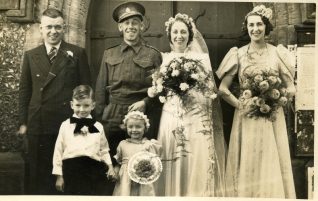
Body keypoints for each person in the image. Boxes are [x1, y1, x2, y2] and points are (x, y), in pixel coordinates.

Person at [216, 5, 296, 198]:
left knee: (270, 158)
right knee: (248, 158)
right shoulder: (238, 53)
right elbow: (222, 89)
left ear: (266, 27)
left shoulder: (278, 53)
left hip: (272, 116)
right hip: (246, 116)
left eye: (259, 24)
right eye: (251, 25)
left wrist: (279, 100)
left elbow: (291, 86)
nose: (255, 29)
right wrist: (241, 105)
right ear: (247, 27)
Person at [18, 8, 91, 194]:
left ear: (64, 28)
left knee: (66, 177)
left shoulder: (77, 53)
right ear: (41, 29)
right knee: (37, 177)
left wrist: (85, 122)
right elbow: (25, 91)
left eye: (58, 27)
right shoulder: (31, 55)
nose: (53, 31)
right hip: (38, 124)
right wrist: (23, 123)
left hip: (66, 123)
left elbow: (86, 90)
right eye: (49, 27)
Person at [155, 13, 226, 196]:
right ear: (170, 35)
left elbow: (210, 91)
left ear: (190, 35)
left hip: (194, 114)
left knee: (195, 157)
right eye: (175, 32)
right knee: (173, 154)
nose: (179, 36)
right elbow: (159, 89)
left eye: (183, 32)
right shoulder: (164, 58)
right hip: (171, 113)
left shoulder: (202, 59)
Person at [95, 2, 162, 194]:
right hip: (113, 115)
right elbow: (100, 89)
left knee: (142, 166)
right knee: (111, 165)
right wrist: (99, 121)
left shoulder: (153, 55)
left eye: (135, 22)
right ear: (120, 27)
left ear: (142, 26)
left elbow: (161, 90)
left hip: (142, 116)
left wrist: (145, 103)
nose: (130, 26)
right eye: (126, 23)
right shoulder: (109, 53)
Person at [52, 85, 115, 195]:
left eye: (86, 105)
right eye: (78, 105)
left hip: (93, 170)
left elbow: (104, 150)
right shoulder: (65, 125)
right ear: (72, 105)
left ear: (93, 105)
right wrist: (59, 176)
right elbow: (58, 151)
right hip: (71, 169)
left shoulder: (98, 126)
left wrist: (110, 167)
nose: (82, 109)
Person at [112, 111, 161, 196]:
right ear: (126, 127)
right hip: (125, 179)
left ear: (145, 128)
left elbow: (154, 165)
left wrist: (145, 173)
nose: (134, 130)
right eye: (130, 127)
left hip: (142, 179)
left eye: (138, 127)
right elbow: (118, 163)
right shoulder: (123, 144)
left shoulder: (148, 145)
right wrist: (115, 171)